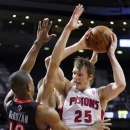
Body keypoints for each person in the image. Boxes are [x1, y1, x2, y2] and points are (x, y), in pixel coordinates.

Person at [17, 4, 112, 130]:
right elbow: (51, 62)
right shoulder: (46, 112)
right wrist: (91, 129)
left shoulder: (13, 103)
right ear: (52, 88)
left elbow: (22, 73)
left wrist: (88, 65)